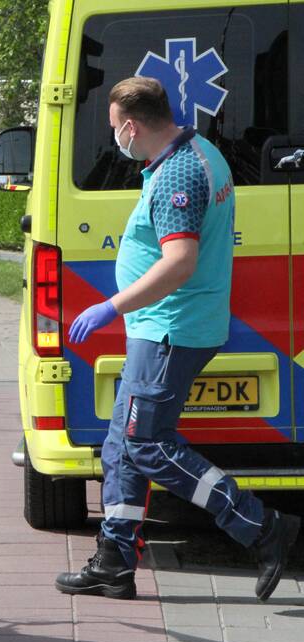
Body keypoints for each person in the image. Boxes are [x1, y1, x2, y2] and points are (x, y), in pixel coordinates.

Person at [55, 77, 299, 602]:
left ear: (131, 126)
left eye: (114, 127)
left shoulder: (178, 174)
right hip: (165, 327)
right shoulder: (200, 150)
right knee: (121, 446)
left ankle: (260, 526)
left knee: (145, 444)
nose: (115, 137)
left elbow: (180, 262)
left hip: (170, 329)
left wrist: (110, 306)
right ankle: (114, 562)